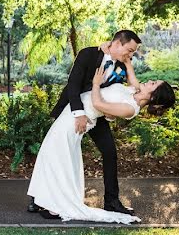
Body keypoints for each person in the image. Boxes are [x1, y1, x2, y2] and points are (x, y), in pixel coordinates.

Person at [26, 53, 176, 222]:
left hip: (83, 116)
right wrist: (108, 50)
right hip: (75, 111)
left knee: (61, 155)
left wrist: (96, 84)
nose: (149, 81)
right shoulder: (135, 90)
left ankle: (60, 202)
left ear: (154, 97)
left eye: (154, 83)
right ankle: (42, 198)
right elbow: (127, 64)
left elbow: (98, 104)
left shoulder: (131, 108)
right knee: (54, 153)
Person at [28, 29, 142, 216]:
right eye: (129, 50)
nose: (130, 55)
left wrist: (128, 65)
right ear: (118, 43)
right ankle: (36, 199)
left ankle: (111, 202)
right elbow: (73, 83)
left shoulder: (121, 67)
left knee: (110, 152)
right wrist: (78, 113)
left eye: (133, 52)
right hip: (73, 109)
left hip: (97, 114)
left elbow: (132, 90)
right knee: (54, 150)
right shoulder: (89, 54)